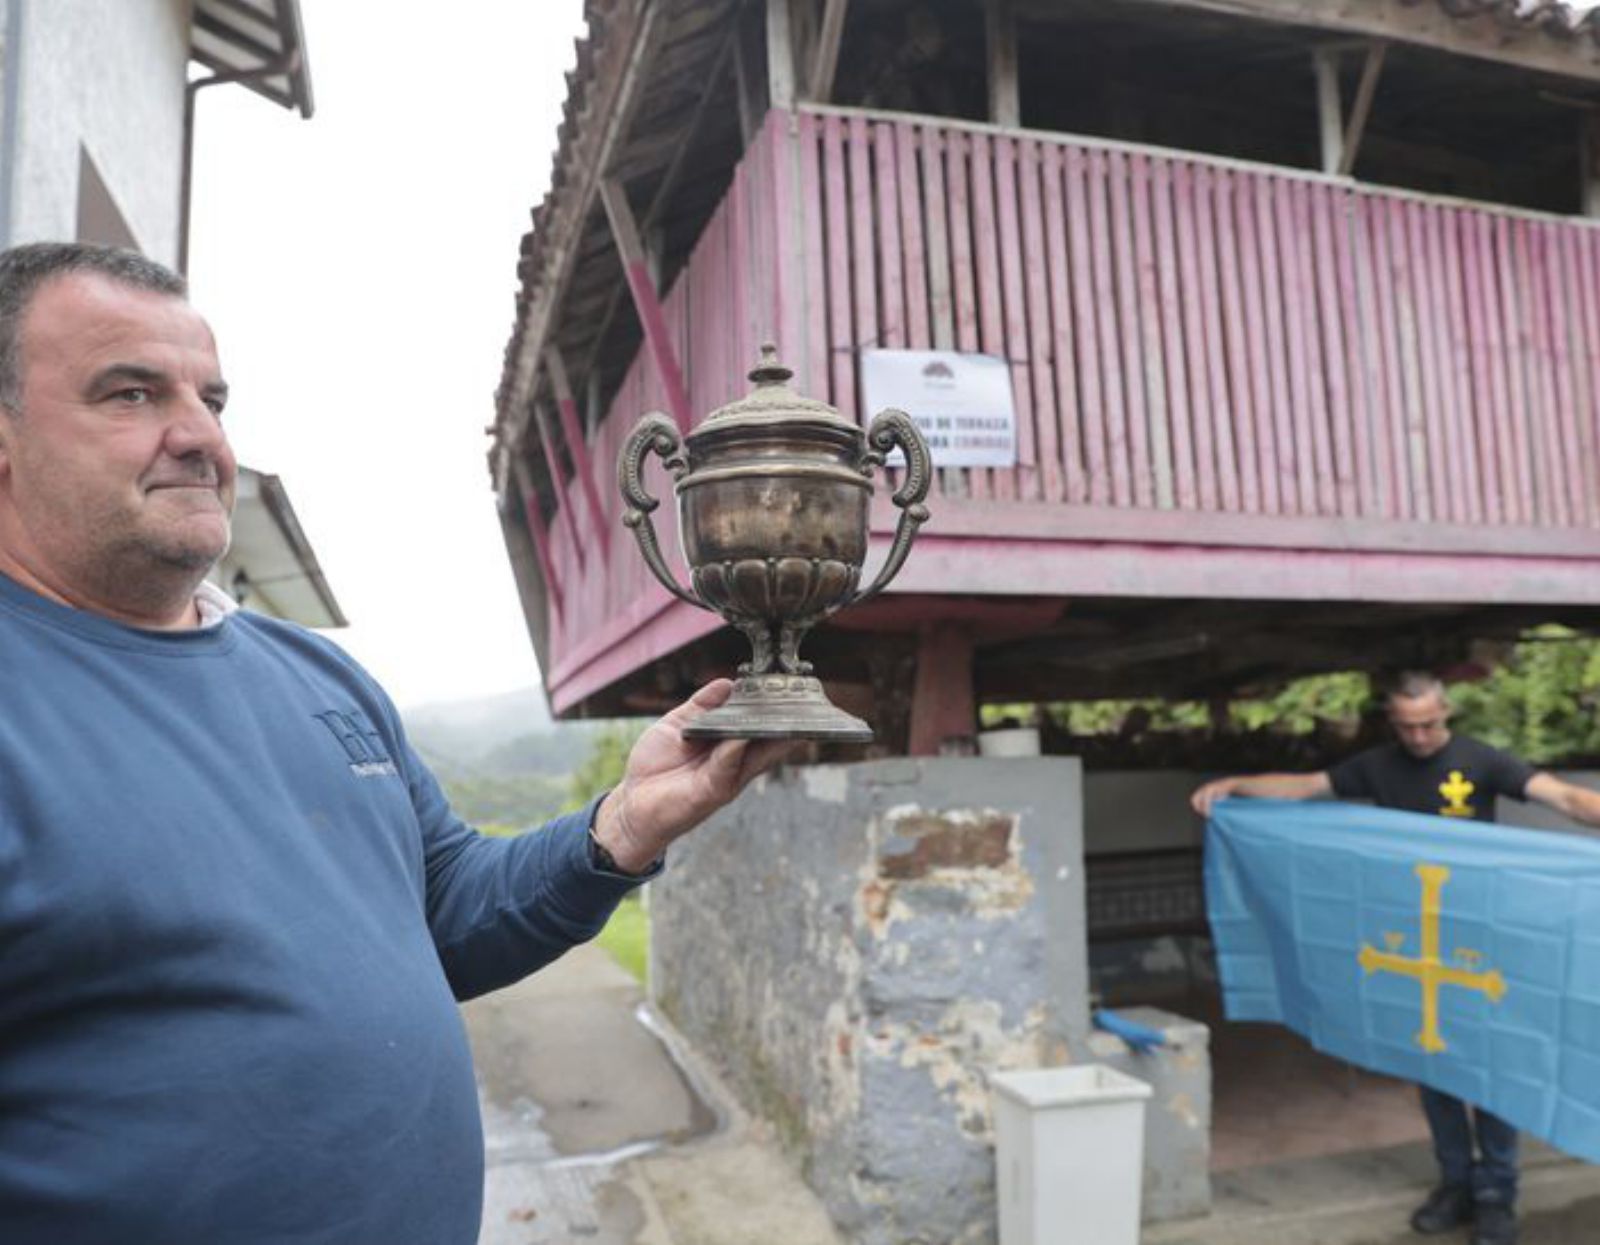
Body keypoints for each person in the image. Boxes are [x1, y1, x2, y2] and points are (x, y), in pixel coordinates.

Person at [0, 241, 789, 1244]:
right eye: (129, 394)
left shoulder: (316, 674)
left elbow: (448, 909)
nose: (199, 436)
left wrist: (623, 825)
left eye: (213, 398)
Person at [1192, 671, 1600, 1245]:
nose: (1419, 737)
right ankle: (1455, 1181)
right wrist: (1236, 785)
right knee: (1430, 1060)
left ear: (1447, 712)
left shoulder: (1482, 760)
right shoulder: (1376, 765)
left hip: (1479, 935)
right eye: (1407, 727)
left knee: (1494, 1060)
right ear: (1393, 722)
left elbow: (1564, 797)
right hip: (1408, 935)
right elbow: (1305, 787)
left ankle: (1496, 1193)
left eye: (1429, 724)